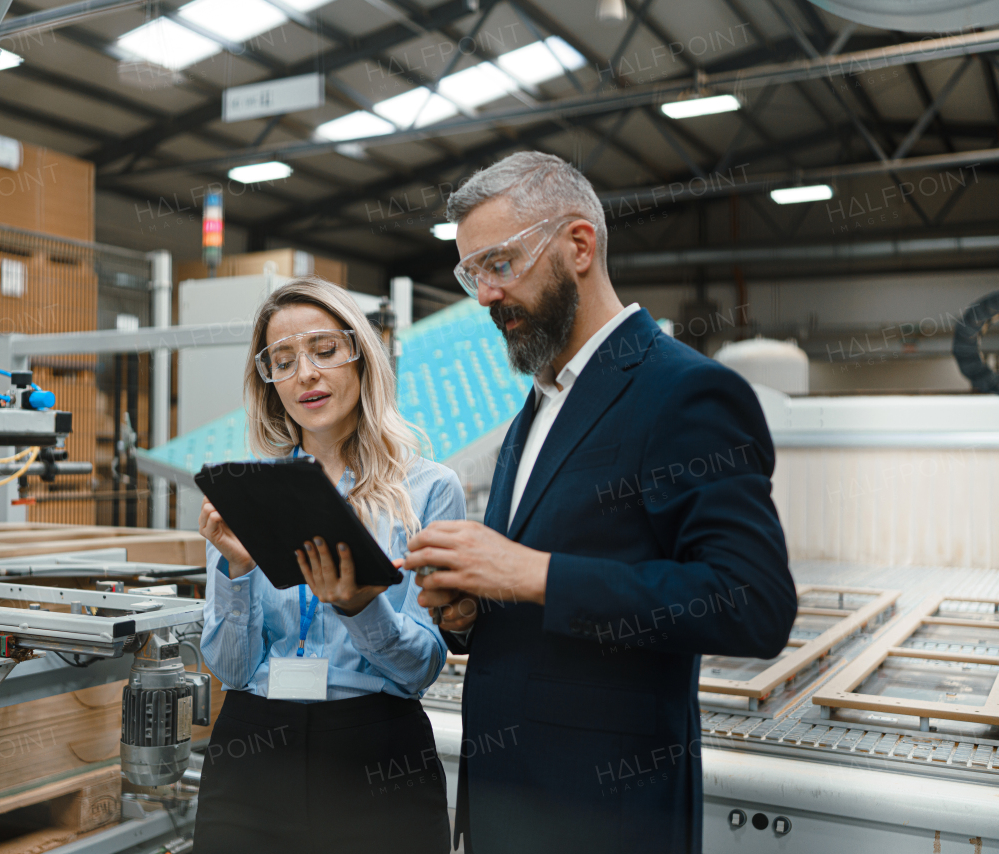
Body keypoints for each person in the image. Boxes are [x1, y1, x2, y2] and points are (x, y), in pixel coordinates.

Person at [406, 151, 797, 853]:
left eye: (500, 264)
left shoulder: (682, 392)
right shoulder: (537, 404)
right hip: (508, 804)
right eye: (473, 274)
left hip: (608, 814)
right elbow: (535, 586)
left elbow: (751, 602)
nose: (487, 295)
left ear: (578, 246)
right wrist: (474, 608)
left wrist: (533, 574)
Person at [193, 276, 464, 854]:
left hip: (376, 753)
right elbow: (232, 671)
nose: (305, 375)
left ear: (360, 357)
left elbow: (420, 669)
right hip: (252, 749)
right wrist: (238, 571)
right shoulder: (247, 493)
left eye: (323, 350)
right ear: (269, 384)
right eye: (283, 361)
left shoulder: (428, 490)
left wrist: (360, 606)